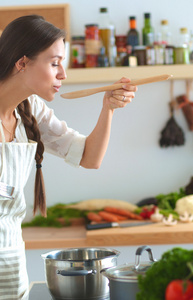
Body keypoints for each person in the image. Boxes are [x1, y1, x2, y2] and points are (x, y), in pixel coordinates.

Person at [0, 15, 137, 299]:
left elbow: (89, 157)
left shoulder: (31, 109)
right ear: (22, 62)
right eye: (54, 63)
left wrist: (108, 108)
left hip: (11, 256)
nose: (63, 74)